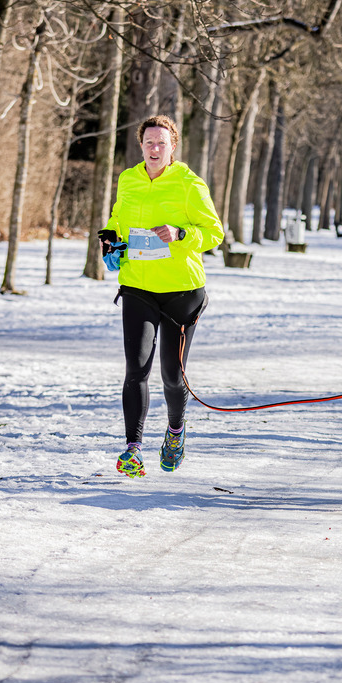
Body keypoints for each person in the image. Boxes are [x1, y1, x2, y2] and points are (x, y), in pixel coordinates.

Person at [98, 114, 224, 478]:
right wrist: (111, 240)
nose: (155, 148)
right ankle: (133, 449)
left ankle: (175, 432)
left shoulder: (189, 184)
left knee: (171, 374)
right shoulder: (128, 179)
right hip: (138, 286)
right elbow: (119, 221)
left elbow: (214, 233)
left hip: (182, 292)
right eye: (149, 142)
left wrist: (181, 233)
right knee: (136, 369)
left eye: (161, 143)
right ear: (141, 146)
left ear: (173, 147)